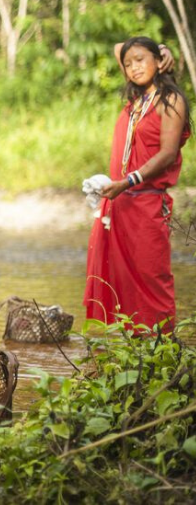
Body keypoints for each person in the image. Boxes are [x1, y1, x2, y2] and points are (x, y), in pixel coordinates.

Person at [83, 37, 191, 333]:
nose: (133, 67)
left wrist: (165, 51)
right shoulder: (138, 100)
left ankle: (162, 348)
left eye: (142, 60)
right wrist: (155, 54)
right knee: (120, 280)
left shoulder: (170, 99)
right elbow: (119, 46)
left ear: (158, 62)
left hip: (146, 202)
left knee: (152, 278)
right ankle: (128, 351)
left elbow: (168, 153)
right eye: (128, 64)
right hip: (119, 204)